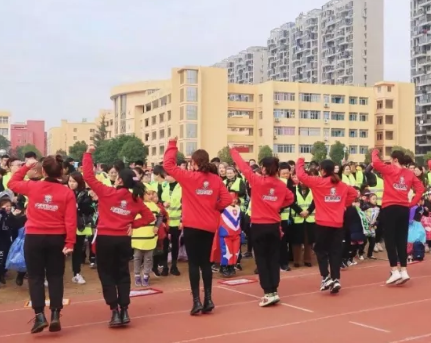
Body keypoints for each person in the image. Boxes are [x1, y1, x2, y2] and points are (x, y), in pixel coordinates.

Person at [83, 147, 154, 327]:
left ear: (120, 179)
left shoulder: (107, 192)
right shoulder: (135, 199)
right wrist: (133, 224)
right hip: (123, 240)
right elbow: (150, 217)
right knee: (122, 273)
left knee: (106, 274)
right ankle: (124, 309)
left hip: (105, 239)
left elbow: (88, 177)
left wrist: (88, 154)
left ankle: (114, 310)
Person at [162, 138, 233, 316]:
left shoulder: (189, 177)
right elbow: (227, 199)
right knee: (205, 263)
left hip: (192, 226)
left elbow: (168, 165)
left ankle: (196, 302)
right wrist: (214, 207)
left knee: (194, 264)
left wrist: (172, 144)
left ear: (193, 163)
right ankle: (208, 299)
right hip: (209, 226)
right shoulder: (216, 179)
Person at [9, 155, 77, 333]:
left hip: (34, 237)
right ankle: (55, 314)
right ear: (60, 172)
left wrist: (25, 167)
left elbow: (12, 183)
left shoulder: (33, 186)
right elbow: (71, 220)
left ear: (43, 171)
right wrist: (70, 242)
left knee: (35, 277)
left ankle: (39, 315)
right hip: (57, 238)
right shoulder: (67, 192)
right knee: (55, 276)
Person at [231, 148, 293, 307]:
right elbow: (290, 198)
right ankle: (274, 290)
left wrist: (233, 150)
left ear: (264, 168)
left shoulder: (256, 180)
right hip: (274, 226)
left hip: (259, 226)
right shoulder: (281, 185)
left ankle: (268, 293)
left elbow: (243, 166)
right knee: (273, 258)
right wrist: (277, 205)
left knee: (262, 259)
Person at [296, 158, 358, 294]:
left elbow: (301, 175)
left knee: (320, 250)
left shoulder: (318, 182)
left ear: (322, 171)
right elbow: (354, 193)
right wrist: (343, 204)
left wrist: (300, 161)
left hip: (322, 224)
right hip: (337, 224)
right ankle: (336, 279)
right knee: (335, 251)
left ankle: (326, 277)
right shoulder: (341, 184)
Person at [371, 149, 424, 286]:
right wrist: (412, 203)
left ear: (395, 160)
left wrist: (375, 152)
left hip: (390, 208)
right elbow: (420, 189)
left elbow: (375, 163)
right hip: (403, 209)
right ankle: (404, 270)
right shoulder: (409, 174)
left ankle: (394, 270)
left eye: (390, 159)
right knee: (401, 239)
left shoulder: (389, 169)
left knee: (390, 240)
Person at [68, 172, 95, 283]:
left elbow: (90, 209)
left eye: (74, 181)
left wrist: (78, 207)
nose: (71, 184)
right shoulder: (65, 192)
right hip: (65, 225)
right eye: (70, 181)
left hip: (79, 226)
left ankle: (77, 273)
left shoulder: (85, 195)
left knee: (77, 250)